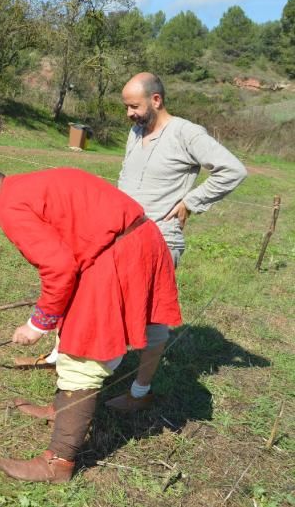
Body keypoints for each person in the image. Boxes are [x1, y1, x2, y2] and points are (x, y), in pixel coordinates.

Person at [0, 165, 182, 482]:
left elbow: (60, 268)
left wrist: (38, 324)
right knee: (81, 328)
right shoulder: (28, 184)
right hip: (142, 240)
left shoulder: (12, 208)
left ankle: (58, 462)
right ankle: (63, 411)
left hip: (116, 254)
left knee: (82, 353)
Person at [102, 72, 247, 412]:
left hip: (159, 241)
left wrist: (191, 202)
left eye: (134, 106)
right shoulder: (136, 132)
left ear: (156, 100)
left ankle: (140, 392)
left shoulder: (185, 133)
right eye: (125, 107)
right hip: (122, 237)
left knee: (152, 318)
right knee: (106, 303)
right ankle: (84, 369)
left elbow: (232, 169)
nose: (129, 114)